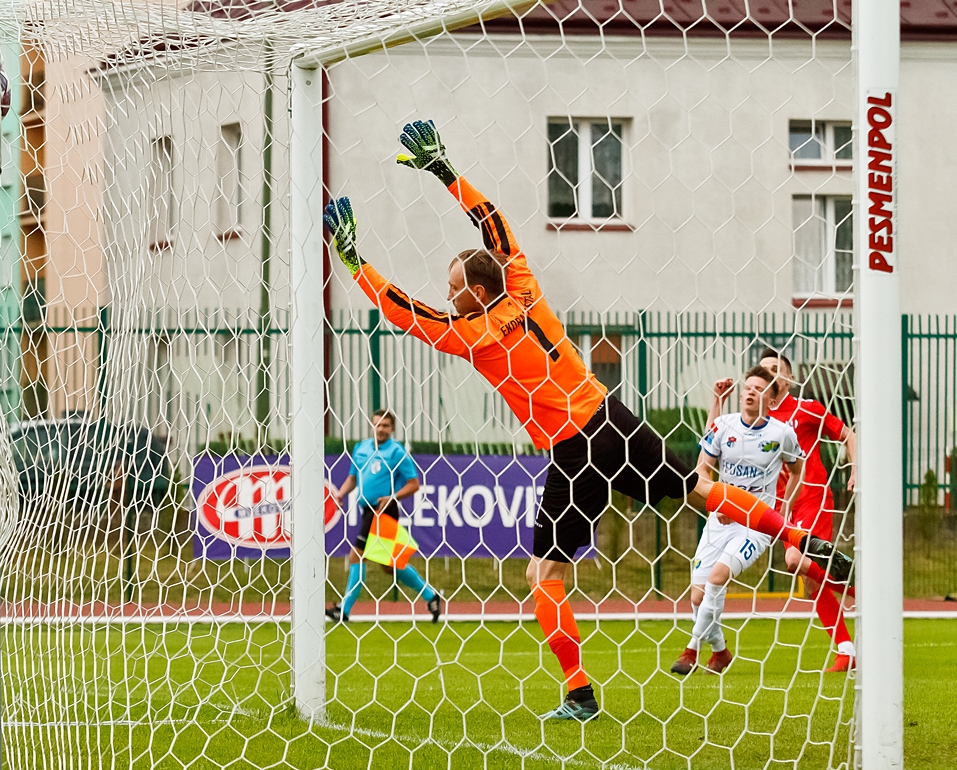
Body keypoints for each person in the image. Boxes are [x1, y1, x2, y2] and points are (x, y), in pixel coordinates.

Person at [323, 120, 848, 721]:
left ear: (473, 291)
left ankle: (579, 692)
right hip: (613, 415)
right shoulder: (523, 284)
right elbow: (493, 222)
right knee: (700, 489)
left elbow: (403, 312)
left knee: (544, 572)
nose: (447, 296)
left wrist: (352, 260)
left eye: (452, 288)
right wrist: (445, 170)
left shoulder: (475, 336)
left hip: (574, 452)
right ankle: (801, 539)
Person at [710, 350, 858, 671]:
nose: (769, 375)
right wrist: (719, 402)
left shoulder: (807, 409)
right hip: (779, 507)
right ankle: (847, 650)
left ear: (788, 379)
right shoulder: (754, 419)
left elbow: (849, 435)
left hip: (811, 497)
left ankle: (856, 585)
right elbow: (717, 439)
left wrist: (855, 468)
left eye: (776, 370)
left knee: (794, 560)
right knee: (812, 581)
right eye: (764, 371)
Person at [671, 367, 802, 675]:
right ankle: (720, 652)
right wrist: (713, 498)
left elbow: (797, 471)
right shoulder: (723, 425)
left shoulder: (782, 433)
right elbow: (703, 469)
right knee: (697, 596)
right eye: (748, 387)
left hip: (755, 525)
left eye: (759, 388)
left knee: (717, 578)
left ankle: (690, 650)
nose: (751, 392)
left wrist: (783, 511)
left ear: (771, 400)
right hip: (720, 521)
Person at [326, 410, 442, 623]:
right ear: (372, 426)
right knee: (390, 566)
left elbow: (414, 484)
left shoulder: (397, 453)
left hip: (383, 510)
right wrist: (341, 493)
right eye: (377, 425)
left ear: (393, 429)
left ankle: (344, 610)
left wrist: (393, 497)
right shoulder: (360, 448)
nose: (381, 429)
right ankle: (431, 595)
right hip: (366, 510)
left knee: (356, 556)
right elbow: (353, 477)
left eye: (385, 426)